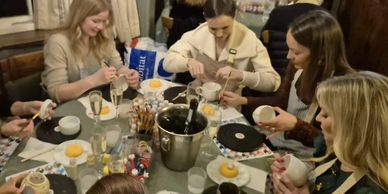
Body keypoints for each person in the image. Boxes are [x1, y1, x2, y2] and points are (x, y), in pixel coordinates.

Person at [220, 10, 355, 157]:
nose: (288, 56)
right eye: (289, 48)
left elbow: (337, 144)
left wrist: (296, 126)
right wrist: (242, 100)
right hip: (280, 140)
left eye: (296, 52)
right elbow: (281, 101)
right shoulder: (297, 66)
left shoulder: (343, 88)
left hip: (311, 157)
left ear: (321, 54)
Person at [271, 71, 388, 193]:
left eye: (326, 114)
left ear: (352, 127)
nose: (317, 118)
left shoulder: (370, 190)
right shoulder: (335, 152)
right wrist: (295, 175)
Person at [163, 0, 280, 93]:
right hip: (198, 94)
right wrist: (187, 62)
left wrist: (241, 75)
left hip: (230, 102)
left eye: (225, 28)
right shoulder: (196, 35)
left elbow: (272, 82)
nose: (219, 34)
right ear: (205, 18)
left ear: (235, 15)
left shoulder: (250, 40)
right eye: (213, 28)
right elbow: (168, 62)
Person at [41, 0, 140, 103]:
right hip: (67, 104)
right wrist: (94, 80)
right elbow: (56, 93)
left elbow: (118, 67)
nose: (101, 27)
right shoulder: (58, 42)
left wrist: (129, 75)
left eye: (104, 21)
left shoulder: (104, 34)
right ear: (79, 17)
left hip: (96, 97)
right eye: (95, 21)